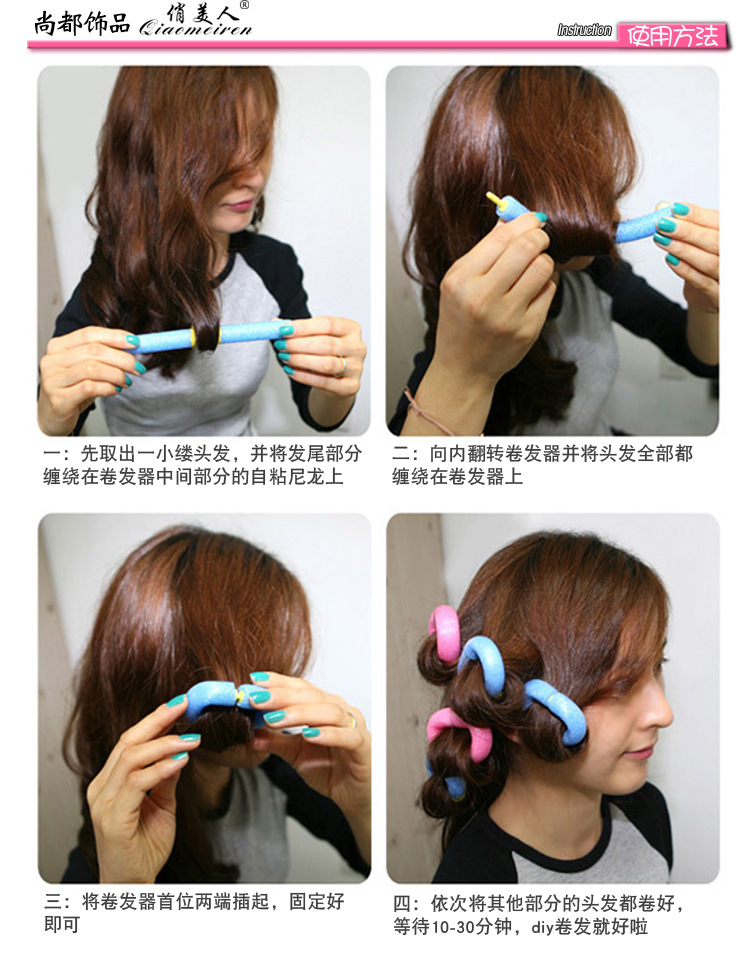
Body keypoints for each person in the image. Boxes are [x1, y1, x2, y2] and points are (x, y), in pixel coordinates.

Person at [389, 67, 718, 435]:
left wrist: (706, 302)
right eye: (595, 195)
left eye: (610, 193)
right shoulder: (464, 324)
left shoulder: (595, 272)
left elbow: (701, 358)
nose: (613, 216)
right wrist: (464, 374)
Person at [39, 67, 366, 436]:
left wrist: (337, 383)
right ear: (150, 155)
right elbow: (55, 431)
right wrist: (51, 414)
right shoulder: (110, 286)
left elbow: (318, 413)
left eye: (259, 139)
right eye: (221, 148)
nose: (254, 177)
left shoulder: (274, 266)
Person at [61, 526, 371, 883]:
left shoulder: (275, 765)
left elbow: (369, 862)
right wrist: (126, 887)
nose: (282, 680)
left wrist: (363, 806)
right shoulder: (108, 849)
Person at [421, 531, 674, 883]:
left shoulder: (647, 814)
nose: (664, 713)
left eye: (657, 665)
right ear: (509, 709)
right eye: (622, 683)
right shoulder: (472, 879)